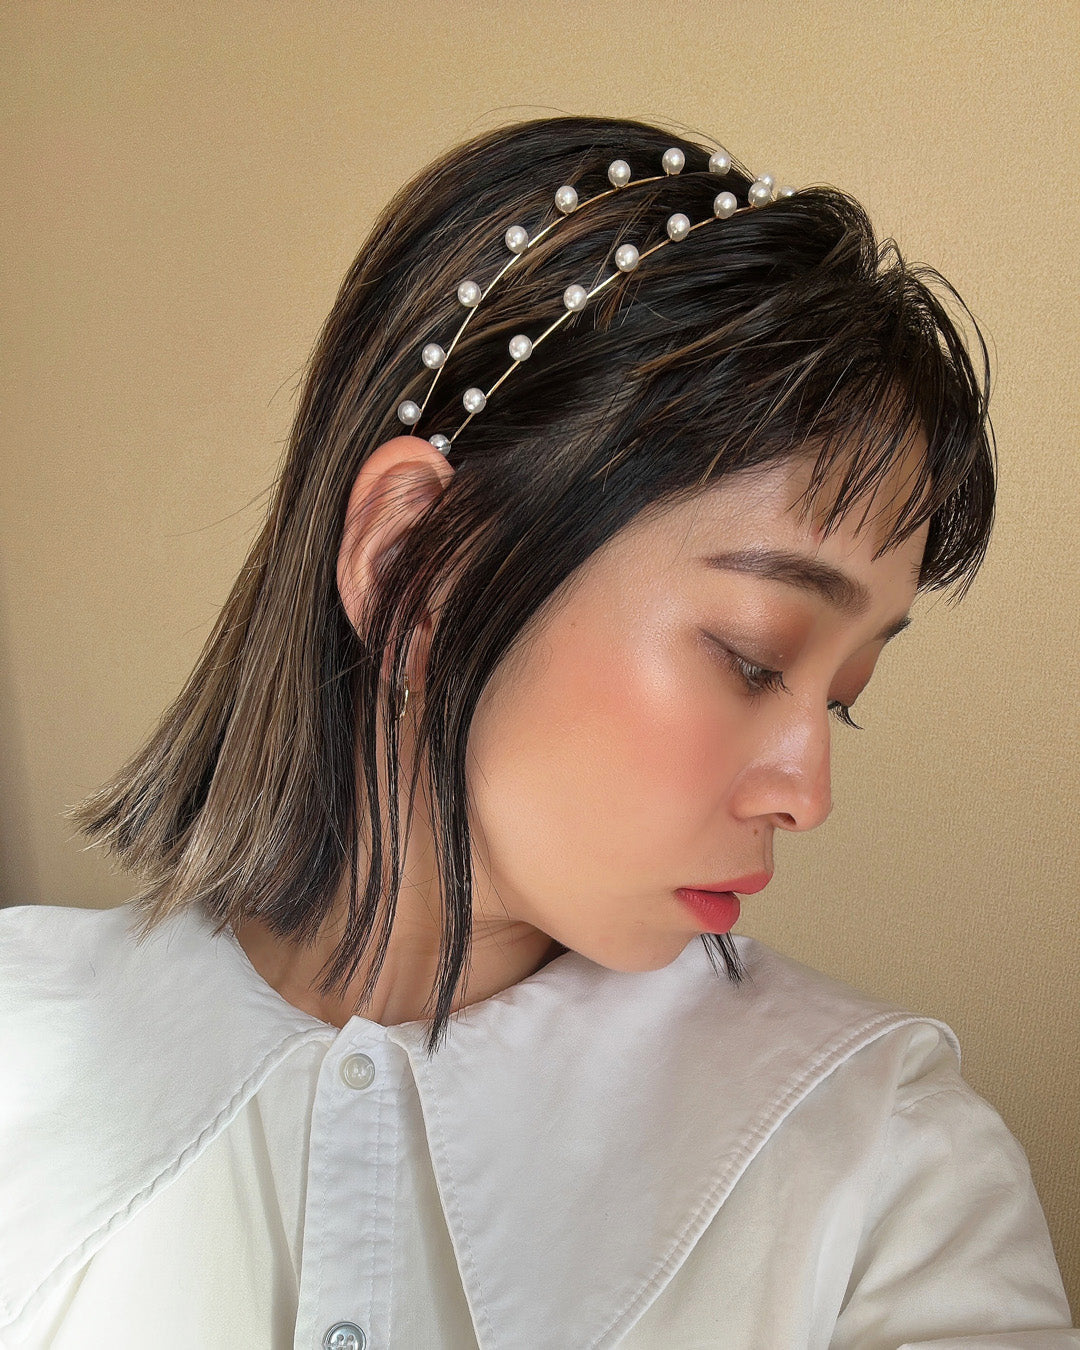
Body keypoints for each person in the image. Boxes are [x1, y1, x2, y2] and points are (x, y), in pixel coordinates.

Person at [0, 114, 1075, 1349]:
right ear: (417, 564)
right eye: (754, 656)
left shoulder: (888, 1167)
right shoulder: (22, 1045)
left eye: (843, 696)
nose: (808, 791)